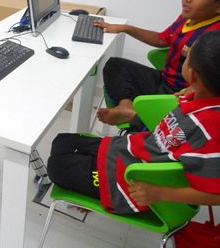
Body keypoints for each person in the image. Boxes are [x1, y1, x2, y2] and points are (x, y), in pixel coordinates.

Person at [47, 30, 220, 213]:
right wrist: (192, 89)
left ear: (193, 75)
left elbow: (216, 194)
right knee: (61, 141)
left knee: (56, 166)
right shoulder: (198, 97)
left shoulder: (209, 131)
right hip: (129, 149)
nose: (184, 54)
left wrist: (160, 193)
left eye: (187, 56)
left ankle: (102, 192)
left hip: (129, 180)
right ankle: (94, 184)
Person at [96, 0, 220, 130]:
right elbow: (162, 39)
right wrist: (125, 28)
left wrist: (193, 88)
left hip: (180, 94)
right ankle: (126, 106)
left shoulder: (214, 37)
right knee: (115, 65)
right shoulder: (187, 17)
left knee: (169, 120)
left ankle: (136, 118)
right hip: (164, 80)